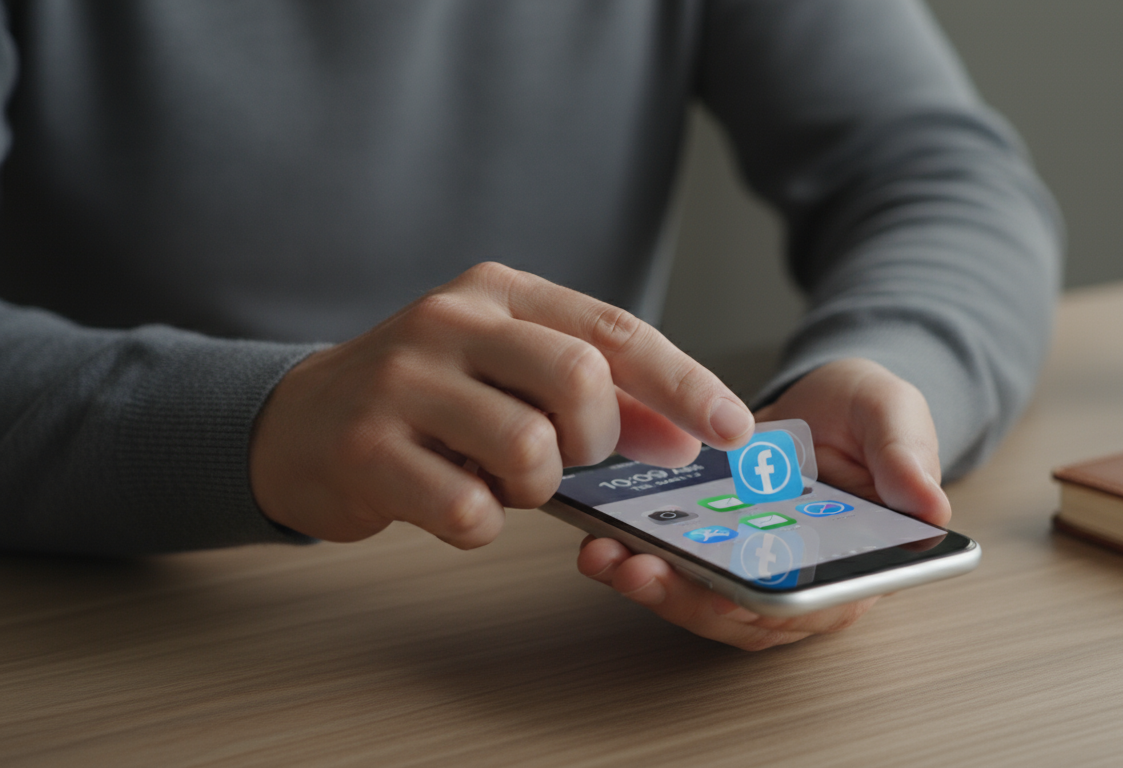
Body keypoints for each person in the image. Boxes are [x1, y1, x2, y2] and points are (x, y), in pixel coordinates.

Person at [0, 1, 1060, 650]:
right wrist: (262, 421)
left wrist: (890, 371)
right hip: (110, 625)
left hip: (550, 606)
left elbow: (939, 172)